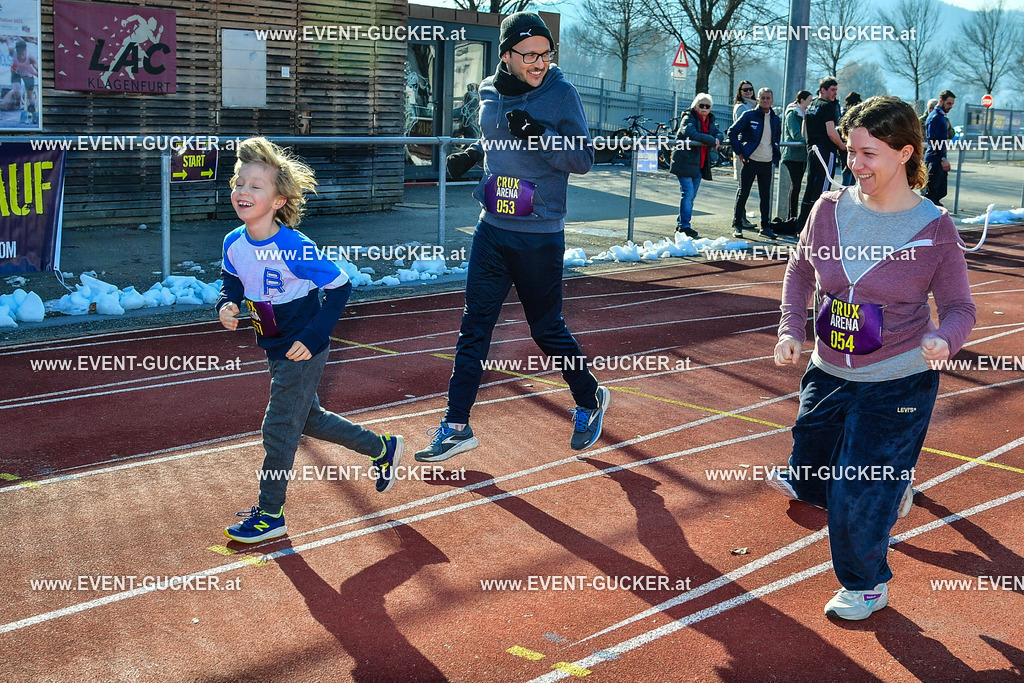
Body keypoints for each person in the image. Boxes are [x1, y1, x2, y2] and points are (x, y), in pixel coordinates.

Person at [770, 96, 976, 620]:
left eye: (868, 153)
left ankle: (866, 584)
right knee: (812, 477)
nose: (855, 164)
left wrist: (944, 340)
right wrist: (792, 329)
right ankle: (894, 484)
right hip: (828, 371)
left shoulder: (934, 229)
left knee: (856, 491)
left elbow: (958, 308)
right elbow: (799, 273)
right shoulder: (829, 209)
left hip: (899, 380)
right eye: (851, 151)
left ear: (904, 153)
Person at [417, 12, 608, 462]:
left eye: (545, 54)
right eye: (529, 55)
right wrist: (471, 155)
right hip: (492, 229)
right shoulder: (488, 91)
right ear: (505, 55)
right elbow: (495, 137)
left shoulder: (561, 94)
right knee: (474, 327)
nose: (539, 63)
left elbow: (583, 159)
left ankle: (588, 398)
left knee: (546, 330)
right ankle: (456, 425)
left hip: (538, 235)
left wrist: (541, 134)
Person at [216, 137, 405, 543]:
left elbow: (340, 287)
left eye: (256, 186)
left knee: (279, 427)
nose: (243, 192)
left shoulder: (294, 247)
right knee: (309, 418)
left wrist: (314, 335)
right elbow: (230, 279)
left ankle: (270, 514)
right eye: (239, 182)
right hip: (272, 342)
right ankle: (382, 448)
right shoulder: (234, 241)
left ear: (279, 201)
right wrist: (226, 305)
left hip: (302, 346)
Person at [727, 87, 781, 240]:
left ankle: (765, 227)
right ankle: (737, 224)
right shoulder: (748, 115)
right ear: (757, 99)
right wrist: (740, 151)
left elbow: (776, 138)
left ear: (772, 100)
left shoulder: (775, 119)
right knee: (743, 193)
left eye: (768, 98)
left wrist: (775, 156)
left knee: (766, 196)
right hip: (751, 161)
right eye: (762, 98)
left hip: (767, 162)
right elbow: (732, 132)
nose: (765, 101)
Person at [669, 93, 723, 239]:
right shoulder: (688, 118)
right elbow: (690, 133)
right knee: (687, 194)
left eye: (707, 106)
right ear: (695, 106)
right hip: (685, 162)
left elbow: (719, 133)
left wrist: (717, 138)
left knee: (691, 197)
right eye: (701, 105)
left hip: (699, 165)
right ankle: (684, 226)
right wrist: (712, 140)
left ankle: (683, 223)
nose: (704, 108)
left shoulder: (710, 120)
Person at [797, 77, 846, 229]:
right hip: (825, 150)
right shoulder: (827, 106)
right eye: (832, 90)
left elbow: (804, 131)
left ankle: (802, 225)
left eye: (836, 90)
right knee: (823, 190)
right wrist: (843, 147)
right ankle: (815, 226)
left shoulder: (811, 105)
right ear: (823, 90)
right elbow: (831, 133)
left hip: (812, 150)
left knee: (810, 187)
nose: (835, 94)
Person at [781, 90, 812, 220]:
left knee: (797, 185)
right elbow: (795, 134)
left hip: (801, 156)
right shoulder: (793, 114)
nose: (811, 103)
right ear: (802, 100)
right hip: (792, 155)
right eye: (809, 100)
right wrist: (809, 141)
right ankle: (792, 215)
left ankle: (793, 215)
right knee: (795, 185)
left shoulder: (805, 114)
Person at [923, 90, 956, 207]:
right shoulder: (935, 117)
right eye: (948, 103)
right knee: (933, 194)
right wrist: (942, 158)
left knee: (940, 192)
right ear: (941, 101)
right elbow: (933, 139)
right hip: (934, 159)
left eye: (952, 104)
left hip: (937, 158)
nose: (950, 107)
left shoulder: (941, 117)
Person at [732, 81, 757, 227]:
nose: (748, 92)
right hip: (743, 150)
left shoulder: (753, 106)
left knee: (745, 186)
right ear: (740, 92)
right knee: (743, 187)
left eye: (750, 89)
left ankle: (741, 217)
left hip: (752, 151)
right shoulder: (741, 108)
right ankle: (740, 218)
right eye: (745, 90)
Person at [840, 92, 862, 186]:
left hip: (845, 145)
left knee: (848, 171)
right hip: (850, 145)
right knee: (849, 173)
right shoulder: (854, 115)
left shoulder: (844, 112)